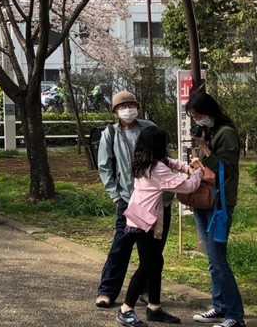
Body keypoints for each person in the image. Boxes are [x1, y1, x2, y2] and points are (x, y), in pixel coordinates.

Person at [115, 125, 203, 327]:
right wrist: (198, 172)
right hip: (147, 222)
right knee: (147, 265)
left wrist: (186, 167)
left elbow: (171, 162)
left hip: (140, 218)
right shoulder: (157, 169)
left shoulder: (142, 162)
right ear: (158, 146)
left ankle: (154, 307)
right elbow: (187, 186)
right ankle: (125, 310)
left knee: (156, 262)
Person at [96, 91, 174, 310]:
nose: (127, 110)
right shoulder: (110, 133)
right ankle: (107, 291)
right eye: (122, 107)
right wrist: (115, 195)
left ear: (137, 108)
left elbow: (165, 157)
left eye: (131, 105)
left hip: (154, 200)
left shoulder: (149, 127)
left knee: (151, 250)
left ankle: (146, 291)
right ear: (115, 112)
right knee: (121, 246)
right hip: (128, 199)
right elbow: (104, 166)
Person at [185, 91, 246, 327]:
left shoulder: (226, 133)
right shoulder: (209, 133)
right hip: (204, 200)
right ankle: (219, 306)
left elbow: (225, 170)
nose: (197, 120)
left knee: (219, 260)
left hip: (220, 204)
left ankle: (235, 316)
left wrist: (205, 148)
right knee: (212, 259)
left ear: (210, 112)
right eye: (193, 117)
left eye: (198, 115)